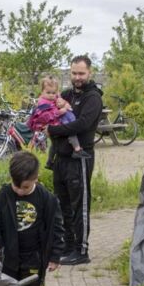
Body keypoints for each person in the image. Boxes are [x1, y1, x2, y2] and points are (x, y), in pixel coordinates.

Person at [47, 55, 103, 266]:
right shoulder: (66, 94)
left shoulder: (93, 97)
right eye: (74, 73)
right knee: (63, 205)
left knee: (79, 204)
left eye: (81, 73)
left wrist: (54, 130)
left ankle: (81, 250)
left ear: (89, 73)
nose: (77, 77)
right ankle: (68, 246)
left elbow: (82, 125)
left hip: (79, 158)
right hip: (60, 158)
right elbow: (51, 115)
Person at [0, 152, 65, 286]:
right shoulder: (4, 195)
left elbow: (57, 228)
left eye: (25, 187)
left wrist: (55, 256)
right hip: (10, 258)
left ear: (36, 178)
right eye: (16, 186)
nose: (19, 191)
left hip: (34, 259)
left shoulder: (47, 199)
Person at [26, 75, 89, 161]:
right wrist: (61, 111)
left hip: (55, 123)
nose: (52, 95)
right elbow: (45, 116)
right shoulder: (43, 102)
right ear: (42, 92)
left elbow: (61, 101)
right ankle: (77, 149)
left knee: (56, 143)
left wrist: (64, 104)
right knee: (70, 131)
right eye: (48, 93)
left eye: (54, 93)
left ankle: (50, 160)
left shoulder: (53, 98)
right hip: (51, 124)